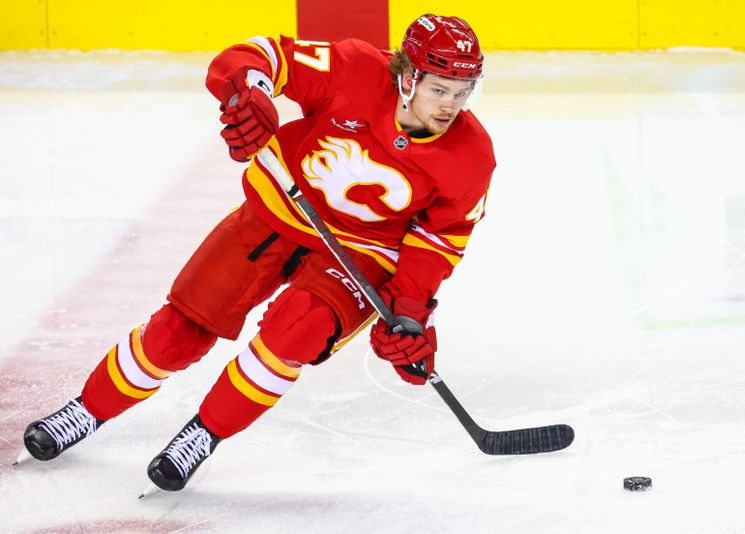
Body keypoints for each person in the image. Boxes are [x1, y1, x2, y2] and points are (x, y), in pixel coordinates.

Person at [21, 13, 495, 492]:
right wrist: (249, 92)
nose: (451, 105)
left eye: (463, 91)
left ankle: (202, 436)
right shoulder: (354, 68)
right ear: (409, 76)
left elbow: (438, 242)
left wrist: (409, 310)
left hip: (363, 253)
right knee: (179, 330)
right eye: (441, 89)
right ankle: (83, 412)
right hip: (278, 210)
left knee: (294, 333)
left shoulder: (472, 155)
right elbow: (259, 56)